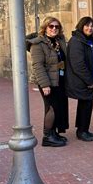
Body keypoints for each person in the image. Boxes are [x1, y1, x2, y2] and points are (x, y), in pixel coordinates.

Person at [29, 17, 68, 147]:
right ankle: (47, 136)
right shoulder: (37, 44)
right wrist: (45, 85)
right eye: (51, 26)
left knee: (57, 107)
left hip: (59, 80)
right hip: (47, 82)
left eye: (57, 27)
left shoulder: (59, 41)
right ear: (45, 28)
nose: (54, 29)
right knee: (51, 108)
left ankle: (53, 133)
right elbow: (38, 66)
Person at [65, 16, 93, 142]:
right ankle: (81, 131)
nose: (90, 28)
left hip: (88, 78)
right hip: (82, 80)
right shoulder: (76, 41)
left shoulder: (87, 40)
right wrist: (89, 81)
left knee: (85, 104)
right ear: (81, 26)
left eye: (92, 26)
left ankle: (83, 129)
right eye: (87, 25)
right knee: (86, 104)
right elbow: (78, 64)